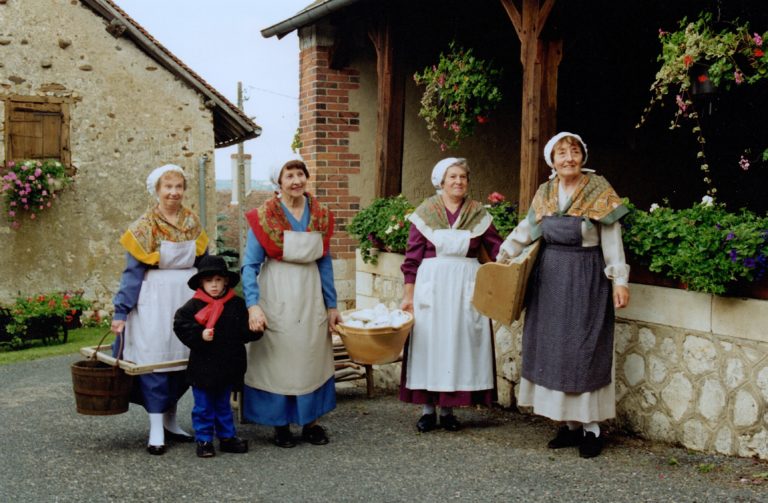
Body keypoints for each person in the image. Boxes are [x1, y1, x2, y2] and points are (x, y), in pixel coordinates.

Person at [497, 132, 630, 458]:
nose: (568, 158)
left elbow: (611, 240)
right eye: (561, 153)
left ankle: (592, 429)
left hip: (586, 280)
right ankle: (569, 426)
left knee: (583, 351)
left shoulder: (599, 190)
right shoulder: (545, 192)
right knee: (555, 351)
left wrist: (619, 280)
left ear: (583, 156)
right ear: (551, 160)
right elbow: (527, 231)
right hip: (550, 279)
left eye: (574, 152)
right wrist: (503, 256)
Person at [241, 157, 341, 448]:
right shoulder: (264, 217)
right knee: (279, 357)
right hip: (277, 290)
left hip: (310, 293)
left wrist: (332, 305)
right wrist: (253, 304)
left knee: (311, 356)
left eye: (300, 174)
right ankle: (280, 424)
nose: (296, 181)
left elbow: (324, 262)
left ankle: (312, 423)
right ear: (279, 182)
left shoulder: (319, 215)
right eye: (290, 175)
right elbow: (250, 265)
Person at [111, 164, 209, 455]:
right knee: (156, 361)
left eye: (179, 186)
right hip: (153, 300)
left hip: (187, 298)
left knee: (184, 360)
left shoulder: (192, 222)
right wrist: (121, 311)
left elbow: (204, 263)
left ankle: (171, 420)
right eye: (168, 187)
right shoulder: (143, 227)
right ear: (157, 190)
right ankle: (155, 427)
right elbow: (131, 273)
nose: (174, 192)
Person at [399, 157, 503, 433]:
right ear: (441, 182)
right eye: (452, 177)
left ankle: (448, 411)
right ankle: (427, 410)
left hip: (466, 284)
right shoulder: (425, 213)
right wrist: (408, 295)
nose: (458, 182)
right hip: (432, 283)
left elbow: (497, 250)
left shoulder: (478, 214)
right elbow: (412, 258)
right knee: (430, 344)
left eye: (463, 177)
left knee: (459, 343)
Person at [173, 255, 262, 458]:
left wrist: (255, 329)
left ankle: (227, 437)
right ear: (201, 283)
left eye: (218, 280)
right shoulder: (193, 306)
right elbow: (180, 325)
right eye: (208, 281)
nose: (214, 285)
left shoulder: (237, 305)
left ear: (226, 281)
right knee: (203, 406)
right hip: (203, 368)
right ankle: (204, 439)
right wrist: (199, 334)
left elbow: (244, 331)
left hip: (228, 366)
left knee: (223, 405)